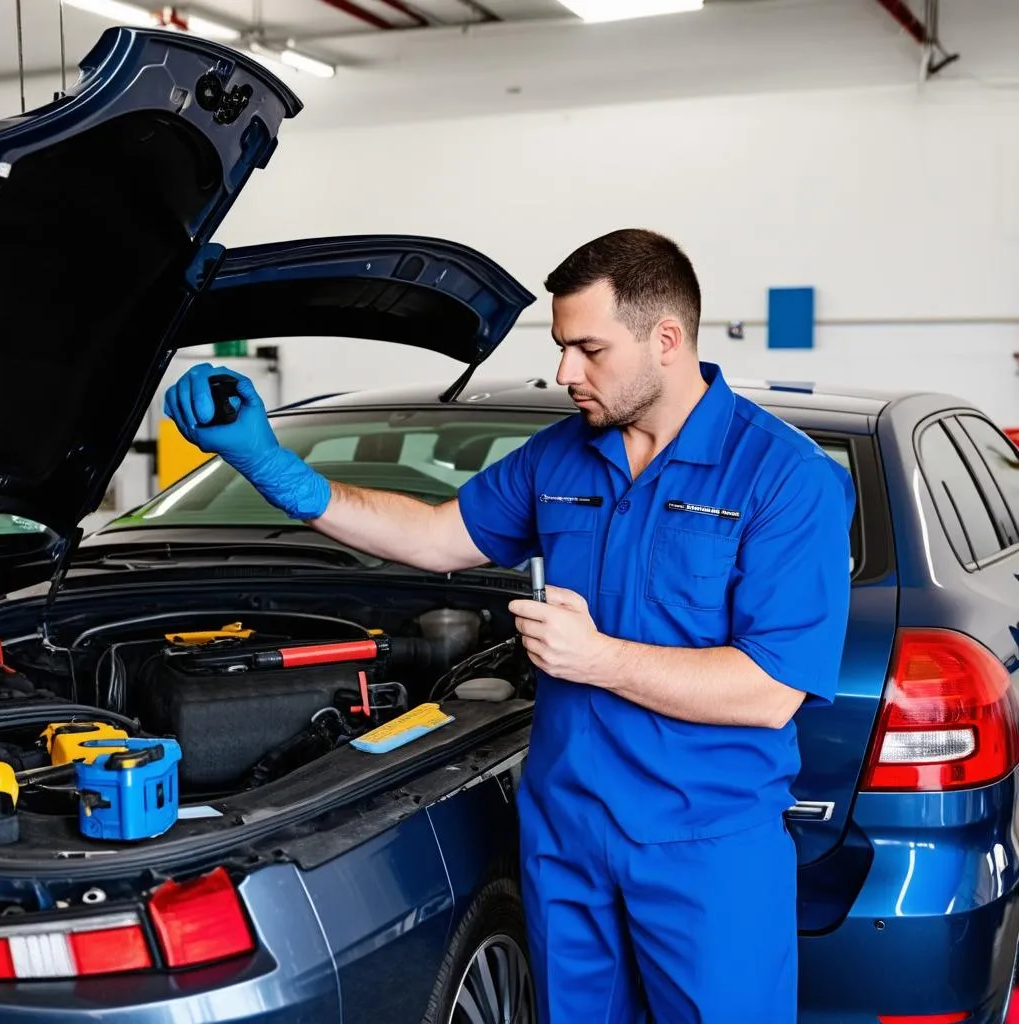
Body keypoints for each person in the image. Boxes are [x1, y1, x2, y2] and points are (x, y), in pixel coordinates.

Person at [164, 228, 854, 1023]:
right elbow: (431, 535)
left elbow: (770, 691)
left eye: (589, 349)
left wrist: (596, 659)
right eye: (563, 347)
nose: (566, 372)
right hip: (566, 840)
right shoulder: (560, 458)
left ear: (667, 340)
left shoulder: (782, 478)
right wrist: (271, 466)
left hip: (705, 850)